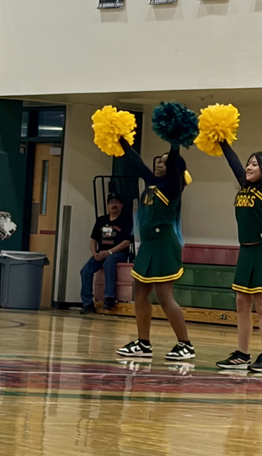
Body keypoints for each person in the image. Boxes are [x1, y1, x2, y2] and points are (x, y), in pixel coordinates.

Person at [115, 139, 195, 361]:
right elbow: (136, 162)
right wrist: (120, 139)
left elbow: (174, 158)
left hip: (163, 245)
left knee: (164, 296)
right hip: (148, 245)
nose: (160, 163)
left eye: (166, 162)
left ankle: (185, 344)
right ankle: (143, 343)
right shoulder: (151, 182)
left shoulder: (172, 188)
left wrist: (174, 139)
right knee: (139, 294)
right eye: (159, 161)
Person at [215, 141, 262, 374]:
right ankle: (242, 354)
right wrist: (222, 139)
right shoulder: (245, 187)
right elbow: (233, 161)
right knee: (241, 303)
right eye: (249, 163)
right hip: (245, 252)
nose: (248, 167)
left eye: (254, 164)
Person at [79, 193, 133, 314]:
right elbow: (93, 239)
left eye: (117, 202)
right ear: (108, 205)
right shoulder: (101, 220)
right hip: (100, 254)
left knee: (110, 261)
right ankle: (87, 303)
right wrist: (94, 253)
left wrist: (109, 252)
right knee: (85, 270)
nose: (114, 205)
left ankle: (109, 298)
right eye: (111, 202)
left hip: (118, 254)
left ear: (121, 205)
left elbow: (127, 242)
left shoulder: (126, 220)